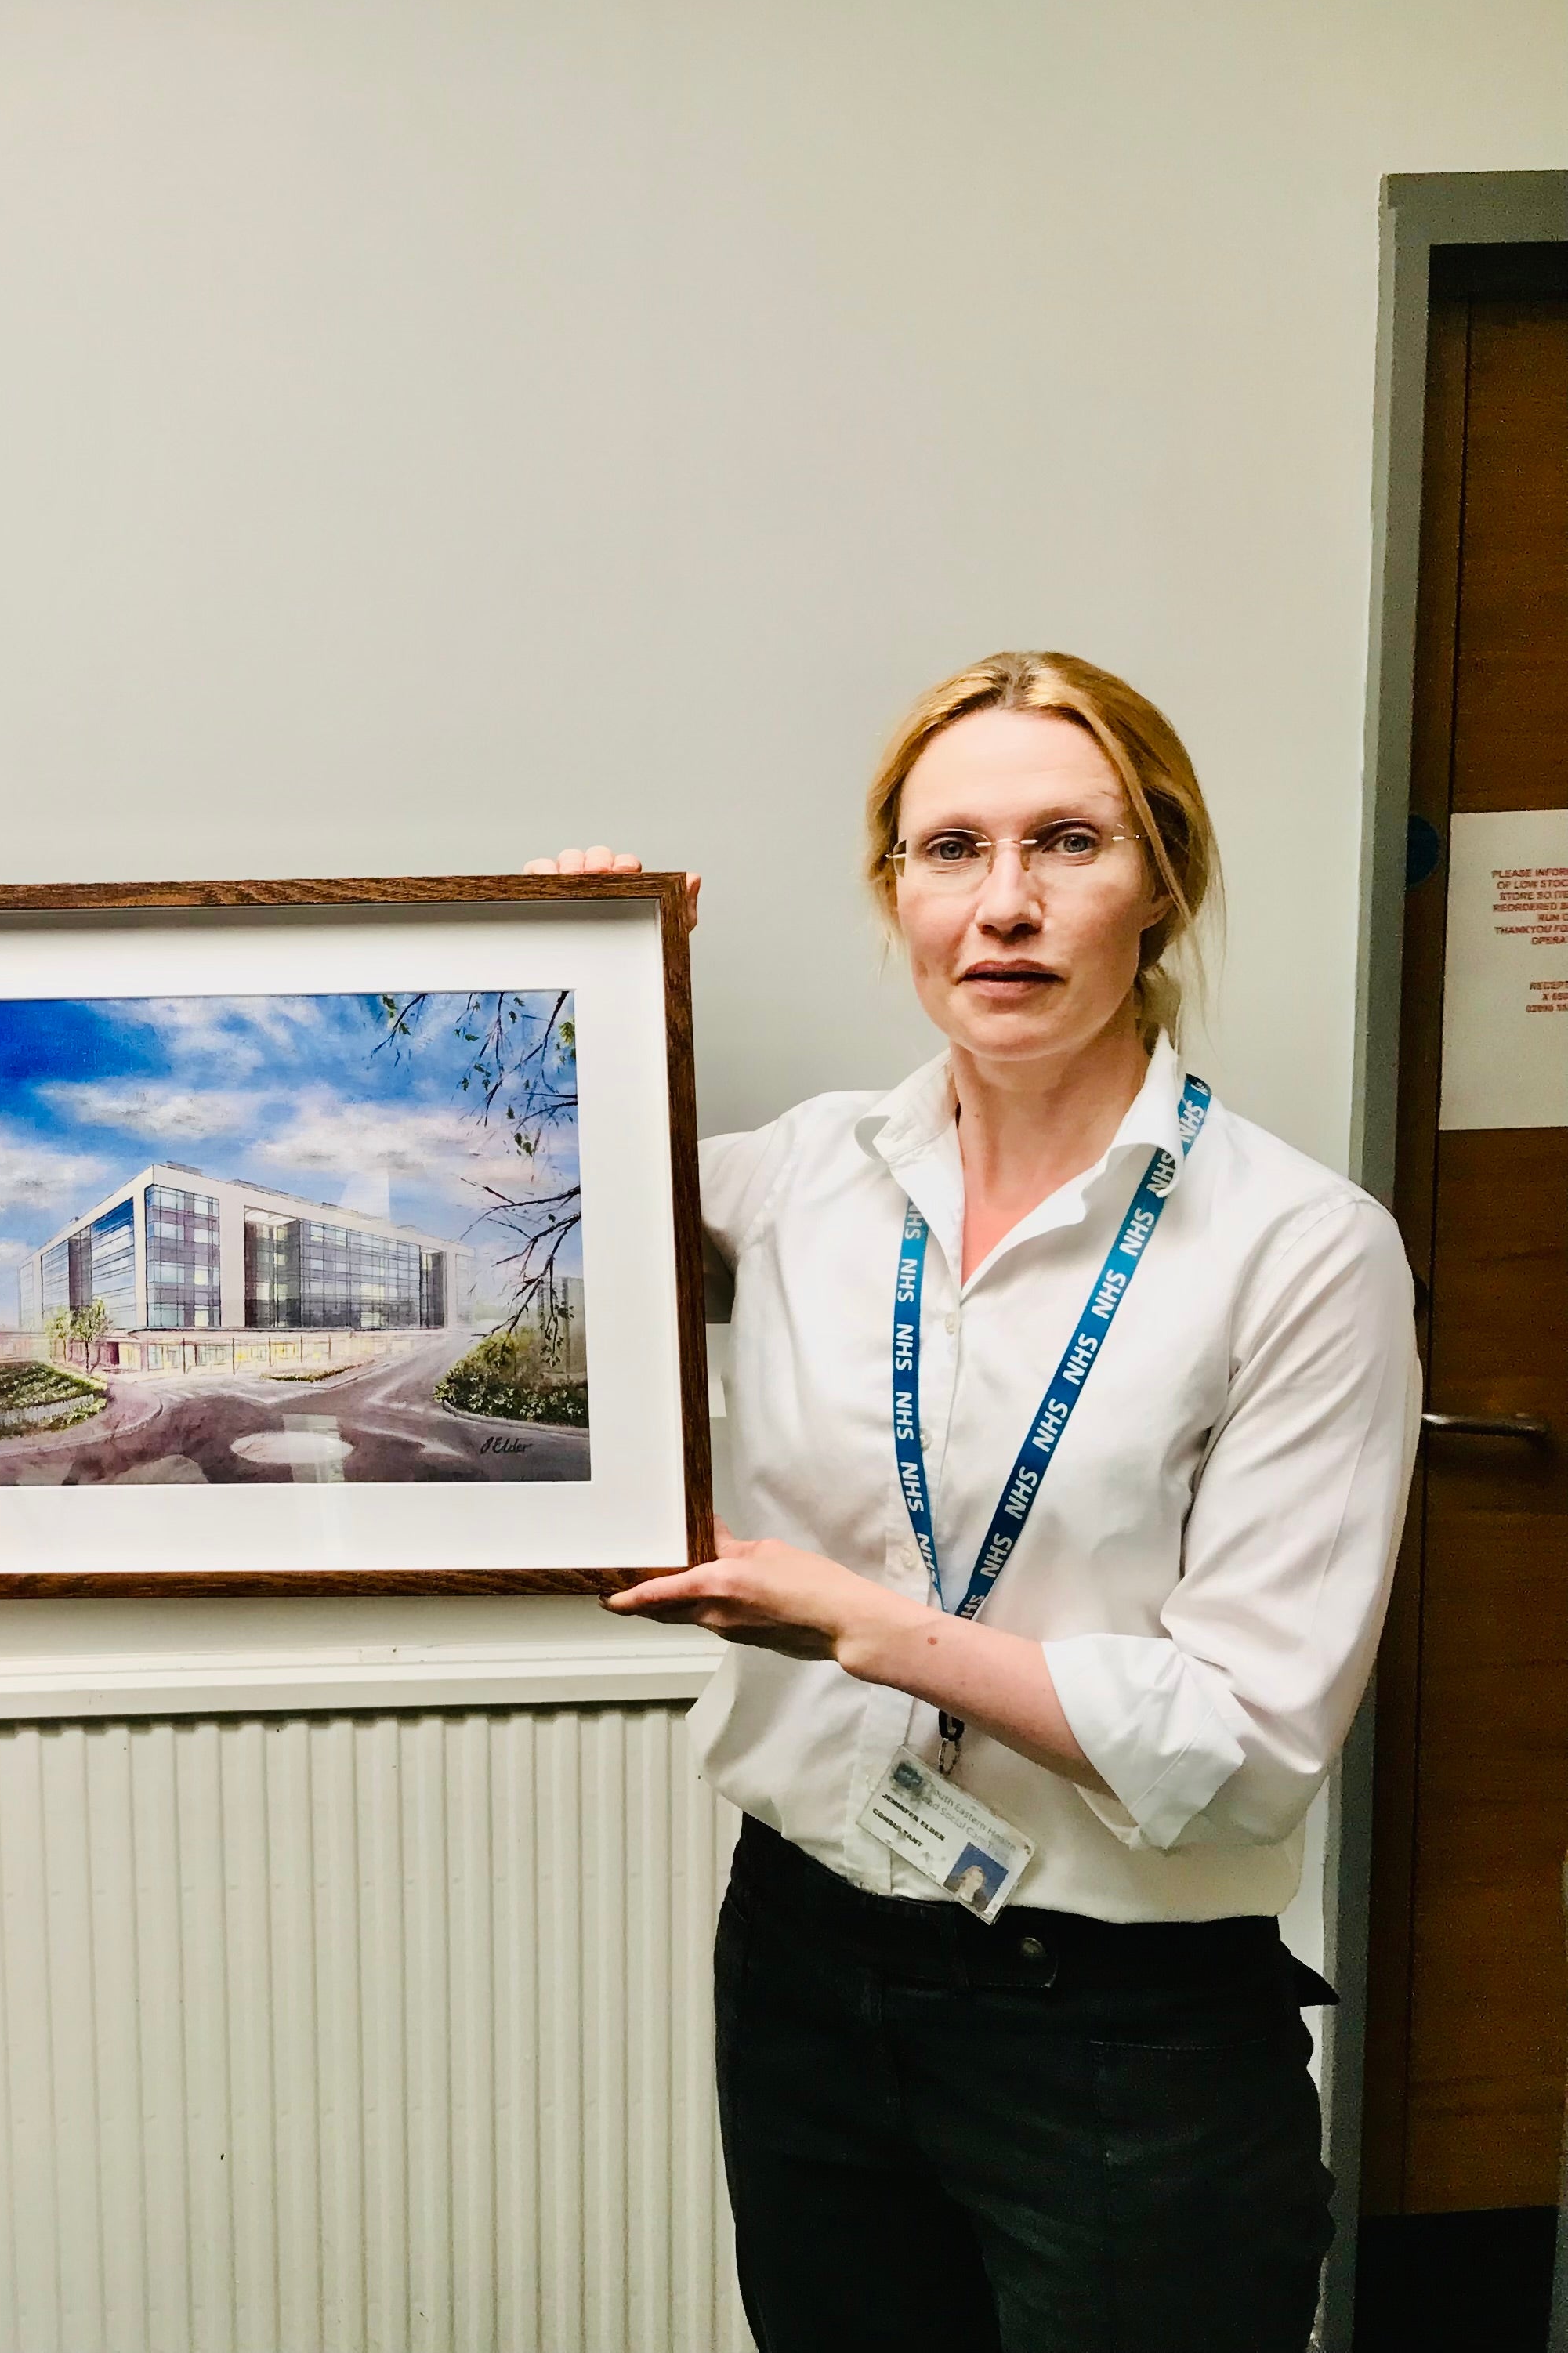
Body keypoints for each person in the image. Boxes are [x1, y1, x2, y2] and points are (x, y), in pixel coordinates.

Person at [563, 651, 1419, 2352]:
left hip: (1120, 2035)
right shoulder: (804, 1177)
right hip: (807, 1964)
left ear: (1162, 881)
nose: (1004, 907)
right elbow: (519, 1227)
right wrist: (539, 990)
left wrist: (866, 1628)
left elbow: (1250, 1742)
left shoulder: (1302, 1250)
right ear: (898, 892)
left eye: (1068, 844)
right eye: (951, 851)